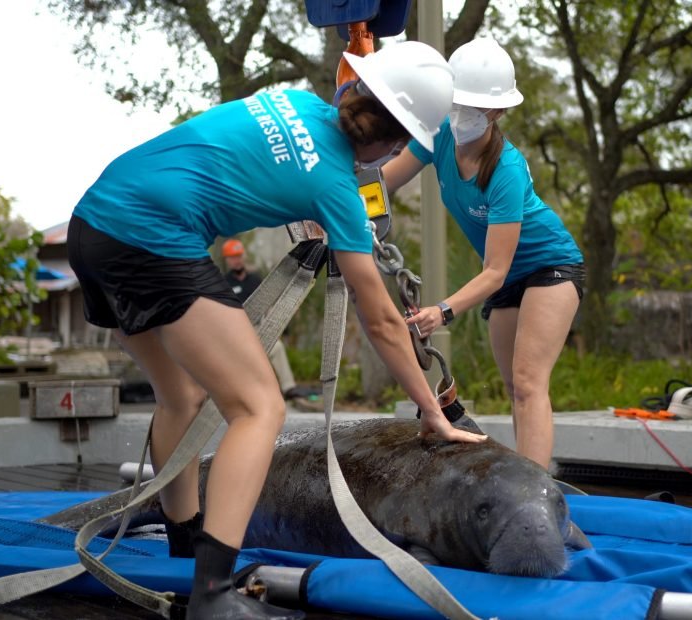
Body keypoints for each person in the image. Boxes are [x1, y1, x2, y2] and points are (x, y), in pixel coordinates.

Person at [67, 41, 485, 620]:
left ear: (350, 88)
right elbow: (384, 321)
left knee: (182, 396)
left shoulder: (291, 101)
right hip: (152, 236)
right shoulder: (338, 187)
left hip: (92, 223)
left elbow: (260, 163)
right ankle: (213, 596)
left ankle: (187, 548)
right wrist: (431, 412)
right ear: (392, 141)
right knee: (260, 406)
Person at [382, 37, 584, 472]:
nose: (460, 115)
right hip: (507, 278)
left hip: (550, 267)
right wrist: (332, 201)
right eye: (456, 102)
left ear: (497, 112)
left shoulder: (505, 170)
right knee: (514, 385)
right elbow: (381, 182)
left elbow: (495, 270)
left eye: (473, 107)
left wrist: (443, 310)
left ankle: (535, 490)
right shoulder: (437, 136)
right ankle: (528, 478)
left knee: (530, 383)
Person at [220, 238, 310, 404]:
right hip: (236, 332)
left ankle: (288, 388)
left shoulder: (255, 279)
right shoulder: (224, 283)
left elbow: (268, 302)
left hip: (258, 327)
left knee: (277, 347)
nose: (236, 260)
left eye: (238, 255)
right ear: (227, 260)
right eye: (232, 257)